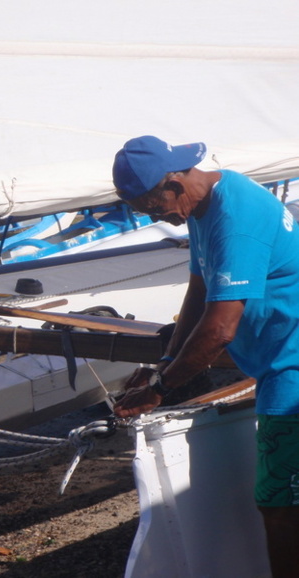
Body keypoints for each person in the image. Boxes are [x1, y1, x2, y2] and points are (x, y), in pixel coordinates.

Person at [110, 135, 299, 578]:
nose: (157, 218)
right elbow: (200, 287)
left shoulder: (236, 218)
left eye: (154, 209)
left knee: (280, 506)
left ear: (173, 183)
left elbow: (219, 329)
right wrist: (164, 363)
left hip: (290, 365)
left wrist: (161, 389)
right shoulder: (205, 204)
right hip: (276, 360)